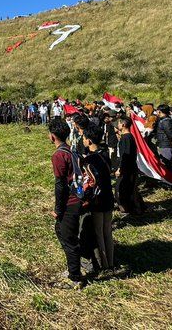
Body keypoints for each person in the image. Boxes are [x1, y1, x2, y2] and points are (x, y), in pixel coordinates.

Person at [48, 118, 83, 288]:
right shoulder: (70, 150)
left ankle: (75, 277)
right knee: (61, 230)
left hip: (70, 201)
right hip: (78, 196)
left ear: (52, 136)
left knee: (68, 238)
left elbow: (60, 185)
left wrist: (58, 209)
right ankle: (73, 267)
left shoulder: (59, 155)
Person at [82, 124, 115, 271]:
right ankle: (111, 261)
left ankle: (104, 264)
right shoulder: (105, 156)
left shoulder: (89, 160)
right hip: (108, 196)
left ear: (89, 141)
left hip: (97, 200)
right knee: (107, 231)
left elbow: (88, 183)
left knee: (98, 233)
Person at [115, 117, 143, 214]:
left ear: (123, 125)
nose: (117, 125)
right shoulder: (128, 137)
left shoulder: (126, 138)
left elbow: (125, 155)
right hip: (129, 168)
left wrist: (120, 168)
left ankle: (130, 209)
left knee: (122, 189)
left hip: (127, 169)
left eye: (118, 123)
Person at [154, 104, 172, 169]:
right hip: (164, 145)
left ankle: (170, 178)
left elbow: (171, 135)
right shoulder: (164, 120)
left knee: (166, 165)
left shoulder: (166, 121)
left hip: (166, 146)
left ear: (159, 111)